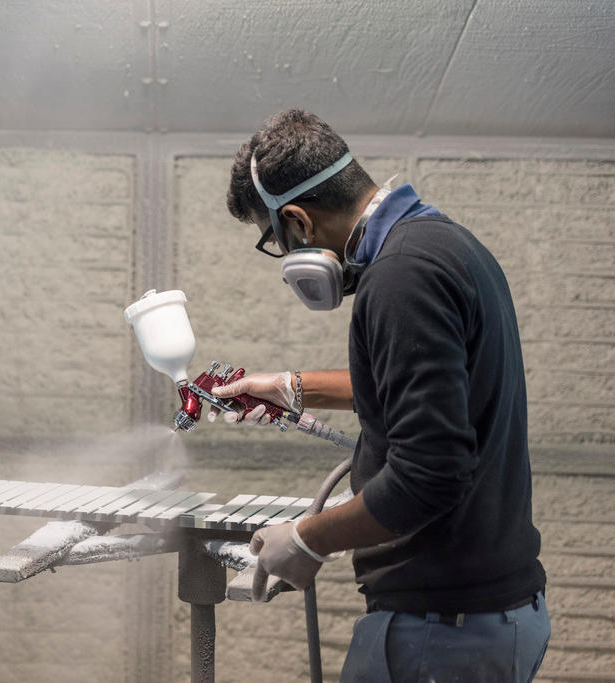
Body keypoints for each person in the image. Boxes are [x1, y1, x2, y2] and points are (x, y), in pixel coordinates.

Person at [213, 109, 550, 682]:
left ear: (297, 220)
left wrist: (305, 539)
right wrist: (291, 388)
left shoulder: (401, 275)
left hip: (442, 632)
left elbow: (430, 473)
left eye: (276, 238)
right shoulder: (444, 244)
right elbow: (423, 387)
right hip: (485, 617)